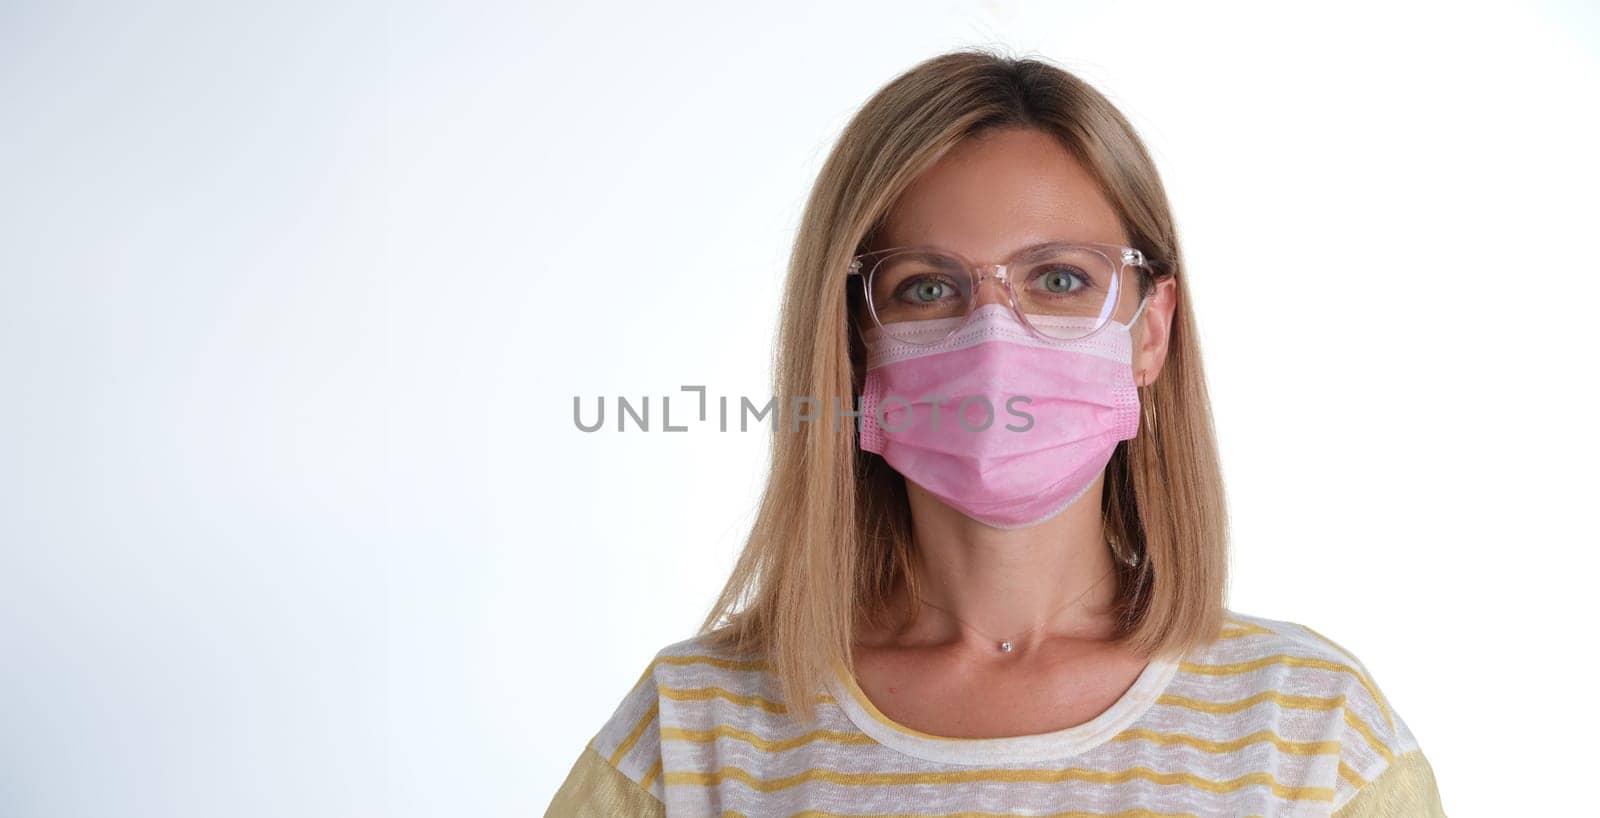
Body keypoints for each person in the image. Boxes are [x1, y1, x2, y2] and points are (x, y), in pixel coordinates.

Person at [545, 48, 1446, 817]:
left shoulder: (1313, 732)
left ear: (1151, 328)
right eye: (927, 288)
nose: (993, 338)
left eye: (1058, 279)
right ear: (853, 344)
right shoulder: (694, 732)